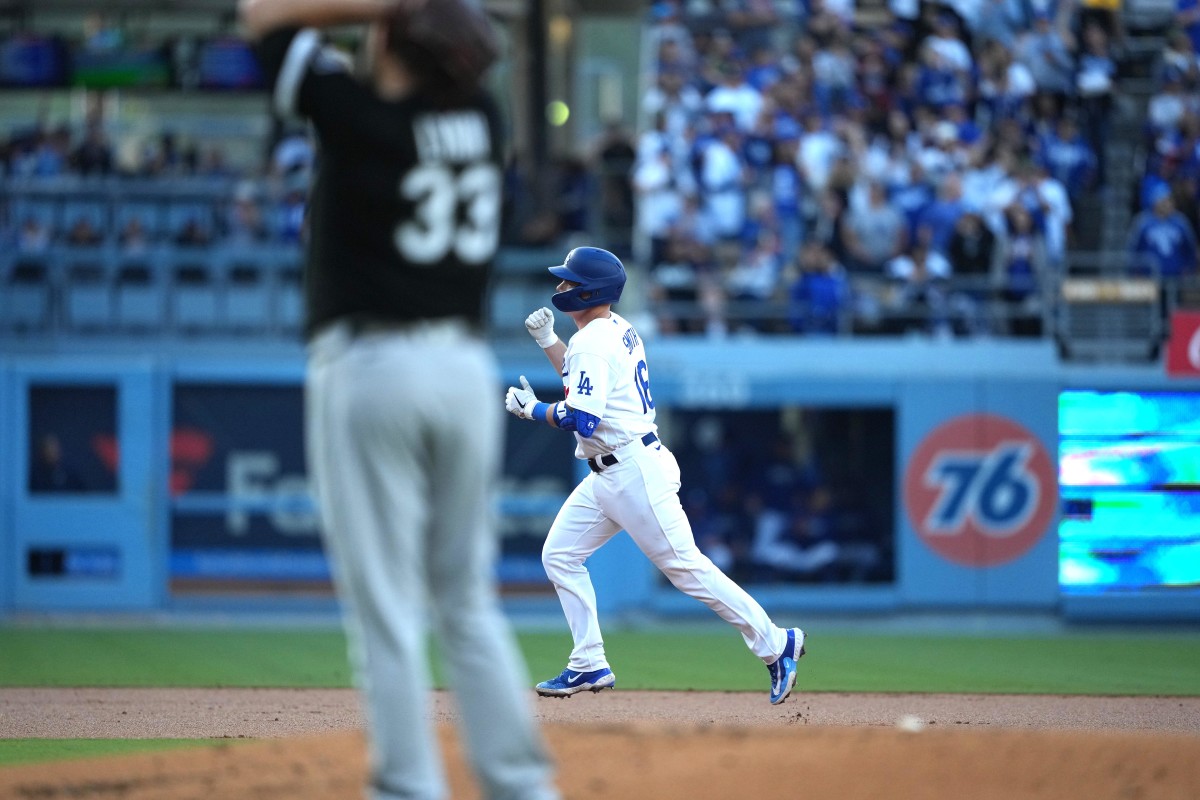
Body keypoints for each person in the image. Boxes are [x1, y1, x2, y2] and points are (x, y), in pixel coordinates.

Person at [240, 1, 559, 799]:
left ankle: (408, 789)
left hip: (374, 365)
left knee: (386, 607)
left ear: (389, 40)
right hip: (463, 371)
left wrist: (387, 5)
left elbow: (262, 17)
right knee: (466, 600)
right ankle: (521, 785)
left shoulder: (357, 117)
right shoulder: (483, 118)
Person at [504, 246, 807, 705]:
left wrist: (535, 410)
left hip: (631, 469)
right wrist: (549, 342)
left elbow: (582, 417)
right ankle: (588, 662)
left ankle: (776, 644)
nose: (561, 287)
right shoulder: (616, 330)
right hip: (612, 470)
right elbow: (582, 380)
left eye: (569, 282)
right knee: (560, 555)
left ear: (591, 290)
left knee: (686, 569)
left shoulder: (594, 339)